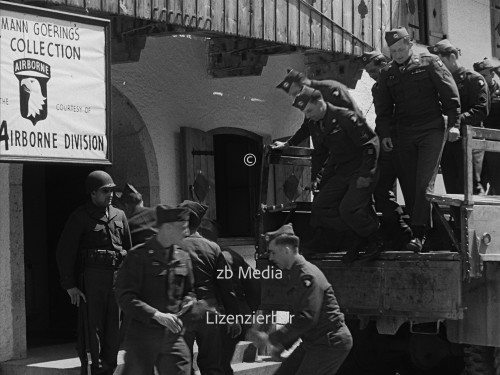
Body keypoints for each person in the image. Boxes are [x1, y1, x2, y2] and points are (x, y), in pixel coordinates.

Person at [375, 27, 461, 252]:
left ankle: (419, 233)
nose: (398, 54)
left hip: (431, 130)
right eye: (393, 51)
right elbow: (383, 109)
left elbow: (450, 94)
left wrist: (454, 125)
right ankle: (431, 233)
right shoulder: (387, 73)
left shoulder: (429, 62)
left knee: (424, 182)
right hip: (404, 133)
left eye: (401, 49)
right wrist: (385, 134)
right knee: (410, 184)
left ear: (410, 45)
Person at [249, 224, 353, 375]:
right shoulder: (295, 273)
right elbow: (301, 319)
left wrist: (271, 338)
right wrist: (283, 345)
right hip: (314, 341)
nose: (270, 258)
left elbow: (307, 318)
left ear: (286, 250)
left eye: (273, 252)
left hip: (329, 343)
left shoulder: (306, 275)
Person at [56, 170, 132, 375]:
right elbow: (65, 252)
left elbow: (128, 248)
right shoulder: (80, 217)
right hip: (92, 279)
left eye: (112, 190)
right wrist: (70, 285)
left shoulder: (120, 215)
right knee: (93, 329)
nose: (110, 194)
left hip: (116, 279)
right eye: (105, 191)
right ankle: (95, 370)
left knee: (114, 330)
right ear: (92, 193)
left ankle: (109, 368)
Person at [114, 205, 196, 375]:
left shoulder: (183, 256)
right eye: (182, 227)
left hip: (173, 336)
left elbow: (190, 290)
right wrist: (155, 315)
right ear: (167, 227)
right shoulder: (138, 256)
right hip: (143, 337)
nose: (187, 232)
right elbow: (124, 296)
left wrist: (190, 300)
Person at [179, 200, 241, 375]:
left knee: (182, 365)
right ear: (199, 222)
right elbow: (226, 286)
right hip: (210, 310)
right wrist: (233, 316)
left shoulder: (174, 246)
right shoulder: (213, 248)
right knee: (212, 366)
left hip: (183, 310)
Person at [273, 69, 363, 187]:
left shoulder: (325, 100)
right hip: (326, 162)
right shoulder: (309, 105)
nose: (293, 97)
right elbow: (307, 128)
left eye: (293, 93)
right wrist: (288, 144)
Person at [360, 50, 412, 250]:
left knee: (414, 190)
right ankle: (398, 228)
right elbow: (382, 115)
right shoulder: (376, 87)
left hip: (406, 141)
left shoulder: (403, 80)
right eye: (369, 72)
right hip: (387, 143)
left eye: (374, 70)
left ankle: (420, 234)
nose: (372, 75)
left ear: (384, 64)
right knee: (380, 188)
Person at [197, 218, 261, 375]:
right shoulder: (232, 255)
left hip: (221, 317)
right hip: (236, 314)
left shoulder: (207, 256)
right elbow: (254, 287)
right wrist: (248, 311)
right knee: (221, 364)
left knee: (217, 365)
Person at [428, 40, 489, 195]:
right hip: (448, 140)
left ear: (453, 57)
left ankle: (479, 220)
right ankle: (457, 220)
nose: (438, 66)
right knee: (452, 188)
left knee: (472, 187)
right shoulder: (440, 81)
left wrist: (455, 120)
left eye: (441, 61)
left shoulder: (474, 79)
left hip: (469, 140)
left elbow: (481, 110)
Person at [474, 57, 500, 194]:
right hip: (477, 147)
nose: (481, 79)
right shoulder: (474, 93)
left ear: (492, 74)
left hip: (496, 148)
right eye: (479, 76)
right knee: (477, 185)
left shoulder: (499, 92)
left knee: (497, 185)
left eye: (484, 75)